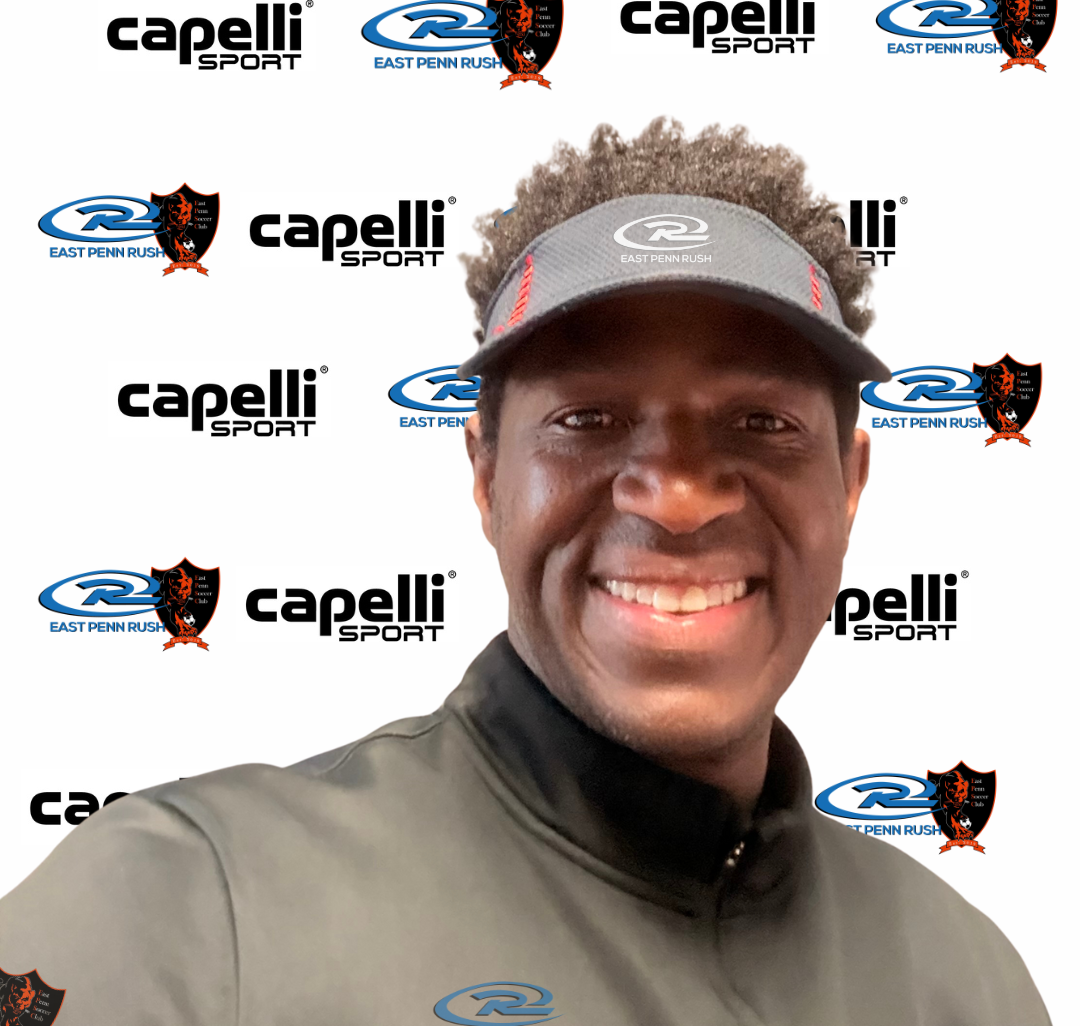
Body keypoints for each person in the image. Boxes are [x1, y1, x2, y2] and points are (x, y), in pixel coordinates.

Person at [0, 120, 1048, 1025]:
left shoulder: (966, 976)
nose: (678, 497)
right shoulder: (187, 905)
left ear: (850, 483)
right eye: (589, 418)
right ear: (487, 473)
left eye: (761, 423)